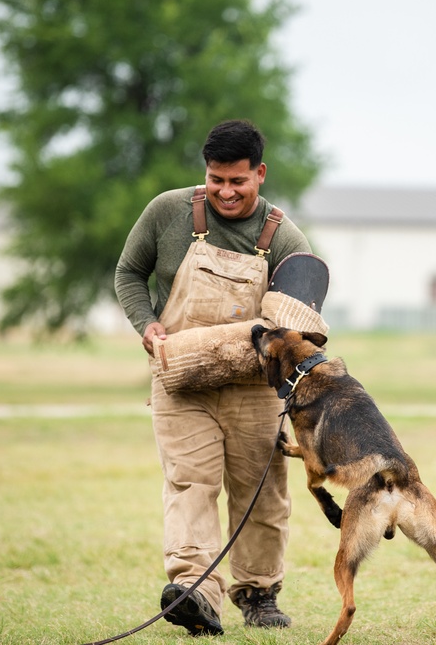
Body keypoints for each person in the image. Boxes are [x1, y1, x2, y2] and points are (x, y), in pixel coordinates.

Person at [114, 120, 312, 636]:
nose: (225, 191)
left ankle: (259, 593)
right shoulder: (167, 212)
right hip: (180, 378)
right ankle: (195, 593)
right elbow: (128, 273)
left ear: (260, 175)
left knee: (263, 491)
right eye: (215, 178)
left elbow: (300, 317)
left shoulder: (285, 237)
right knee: (190, 484)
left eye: (238, 182)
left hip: (254, 388)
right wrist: (147, 324)